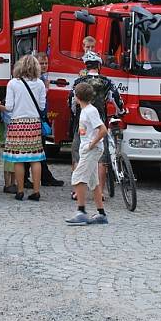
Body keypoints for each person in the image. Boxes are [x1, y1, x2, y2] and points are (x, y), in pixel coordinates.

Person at [68, 51, 125, 194]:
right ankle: (99, 192)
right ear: (99, 65)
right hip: (99, 122)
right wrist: (121, 112)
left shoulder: (78, 82)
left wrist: (76, 115)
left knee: (78, 154)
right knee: (102, 158)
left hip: (82, 123)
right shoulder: (107, 82)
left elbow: (71, 103)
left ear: (85, 66)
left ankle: (77, 191)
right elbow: (117, 100)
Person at [1, 54, 47, 201]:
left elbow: (9, 107)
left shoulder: (13, 83)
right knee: (35, 158)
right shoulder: (40, 84)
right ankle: (36, 191)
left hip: (17, 124)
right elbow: (41, 106)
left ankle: (20, 191)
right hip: (33, 123)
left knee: (19, 160)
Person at [65, 82, 109, 226]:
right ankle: (101, 213)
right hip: (88, 149)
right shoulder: (86, 111)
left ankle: (81, 211)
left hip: (91, 149)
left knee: (78, 177)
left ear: (76, 97)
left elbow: (103, 130)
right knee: (93, 182)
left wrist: (91, 144)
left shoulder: (90, 111)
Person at [24, 52, 64, 187]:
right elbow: (40, 103)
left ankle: (42, 176)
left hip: (39, 116)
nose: (45, 66)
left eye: (46, 63)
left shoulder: (42, 78)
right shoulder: (38, 81)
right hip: (37, 117)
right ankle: (38, 177)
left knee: (38, 149)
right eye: (42, 63)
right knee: (38, 150)